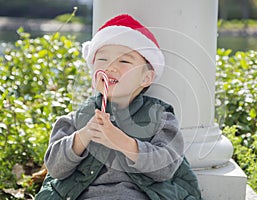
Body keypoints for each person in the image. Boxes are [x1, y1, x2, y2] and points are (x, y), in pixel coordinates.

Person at [35, 14, 201, 200]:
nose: (110, 68)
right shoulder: (74, 119)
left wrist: (122, 142)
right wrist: (83, 136)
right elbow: (55, 168)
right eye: (102, 60)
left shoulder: (161, 118)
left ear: (146, 78)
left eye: (124, 61)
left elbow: (165, 169)